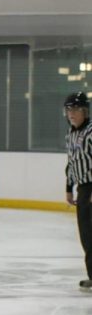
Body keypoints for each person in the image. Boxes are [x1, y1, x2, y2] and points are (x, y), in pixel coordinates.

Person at [63, 92, 92, 290]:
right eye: (68, 110)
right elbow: (71, 163)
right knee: (87, 234)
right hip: (83, 189)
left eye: (74, 109)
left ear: (84, 111)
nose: (71, 114)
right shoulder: (71, 134)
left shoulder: (91, 132)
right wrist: (68, 188)